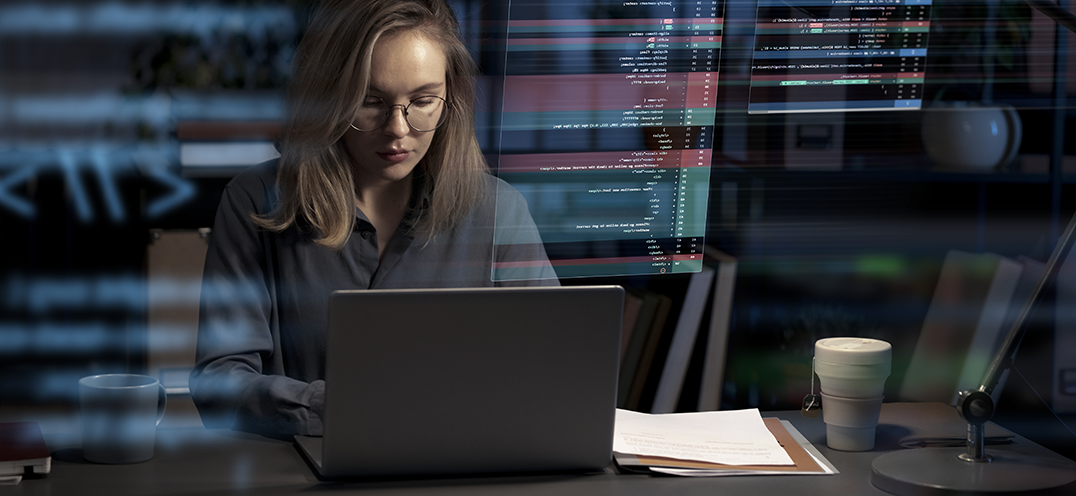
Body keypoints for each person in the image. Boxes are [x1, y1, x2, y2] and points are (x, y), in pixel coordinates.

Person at [189, 0, 557, 437]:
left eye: (422, 101)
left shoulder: (500, 212)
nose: (398, 129)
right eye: (370, 101)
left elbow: (552, 371)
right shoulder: (256, 201)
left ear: (450, 98)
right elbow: (218, 383)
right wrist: (339, 406)